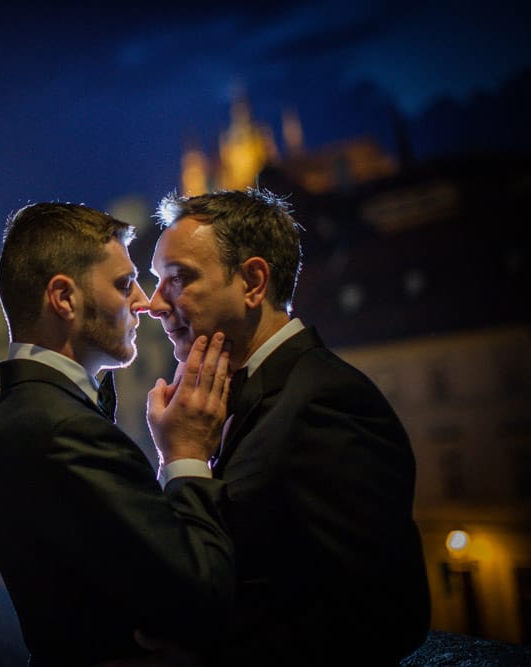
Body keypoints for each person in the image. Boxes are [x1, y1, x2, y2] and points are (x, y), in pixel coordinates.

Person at [146, 188, 430, 666]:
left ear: (254, 281)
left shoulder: (329, 401)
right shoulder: (234, 396)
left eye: (178, 279)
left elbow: (387, 614)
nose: (155, 304)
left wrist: (183, 458)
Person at [0, 202, 236, 666]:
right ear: (64, 298)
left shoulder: (22, 415)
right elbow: (202, 594)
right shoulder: (61, 429)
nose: (144, 301)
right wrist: (186, 455)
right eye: (123, 284)